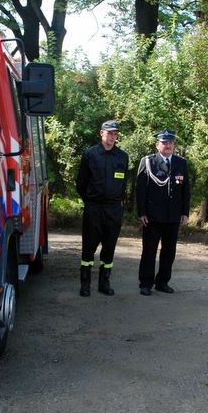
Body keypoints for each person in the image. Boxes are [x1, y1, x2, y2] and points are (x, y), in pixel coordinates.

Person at [75, 120, 130, 297]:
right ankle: (85, 284)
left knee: (109, 247)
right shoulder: (90, 154)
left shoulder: (122, 156)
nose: (113, 137)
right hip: (94, 208)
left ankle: (104, 283)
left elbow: (123, 184)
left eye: (115, 134)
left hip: (113, 209)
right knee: (89, 247)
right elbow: (81, 183)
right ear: (101, 133)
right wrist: (90, 200)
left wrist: (116, 202)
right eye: (110, 133)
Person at [135, 130, 191, 296]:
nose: (168, 145)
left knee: (169, 251)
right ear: (157, 145)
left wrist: (185, 212)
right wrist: (142, 212)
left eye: (170, 142)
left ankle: (162, 282)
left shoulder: (181, 163)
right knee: (149, 251)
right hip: (152, 216)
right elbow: (140, 190)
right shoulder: (148, 162)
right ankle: (146, 283)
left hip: (173, 216)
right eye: (164, 142)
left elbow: (186, 190)